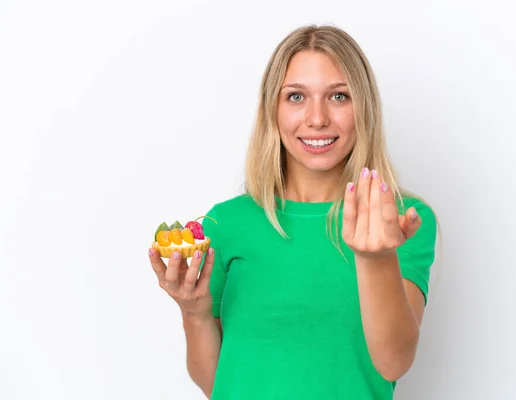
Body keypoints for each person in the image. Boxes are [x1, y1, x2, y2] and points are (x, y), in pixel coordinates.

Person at [149, 24, 437, 400]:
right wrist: (194, 312)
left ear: (363, 107)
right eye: (296, 96)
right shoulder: (225, 224)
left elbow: (393, 362)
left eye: (338, 96)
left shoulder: (398, 220)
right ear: (273, 109)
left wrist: (375, 256)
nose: (317, 119)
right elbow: (215, 384)